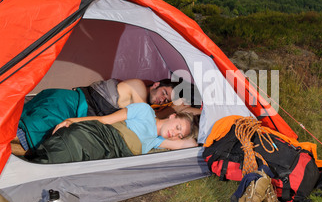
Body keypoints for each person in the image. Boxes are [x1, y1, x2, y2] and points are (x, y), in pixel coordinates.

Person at [17, 78, 201, 150]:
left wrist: (192, 111)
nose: (162, 99)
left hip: (79, 112)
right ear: (156, 84)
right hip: (71, 103)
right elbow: (148, 120)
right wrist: (177, 110)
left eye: (165, 99)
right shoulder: (138, 87)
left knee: (46, 139)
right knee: (33, 130)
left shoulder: (149, 110)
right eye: (164, 93)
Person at [25, 102, 199, 164]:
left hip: (112, 152)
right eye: (177, 127)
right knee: (73, 140)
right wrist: (71, 121)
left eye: (179, 134)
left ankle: (36, 166)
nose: (175, 134)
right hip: (102, 134)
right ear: (172, 116)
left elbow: (191, 144)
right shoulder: (144, 110)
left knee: (78, 158)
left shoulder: (157, 140)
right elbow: (104, 120)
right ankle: (35, 163)